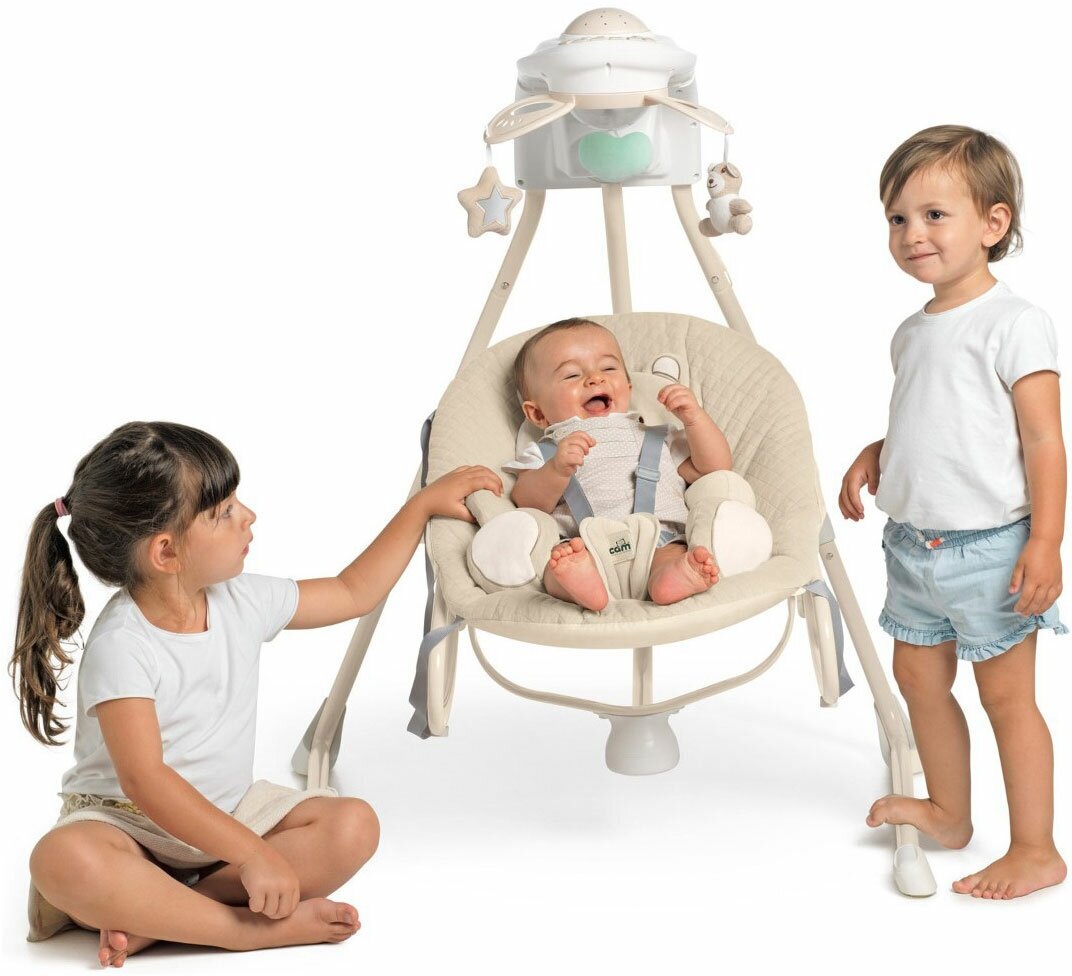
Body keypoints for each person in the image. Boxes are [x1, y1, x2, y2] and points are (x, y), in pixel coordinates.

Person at [13, 420, 501, 964]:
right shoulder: (122, 645)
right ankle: (242, 930)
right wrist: (251, 855)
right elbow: (145, 780)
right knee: (62, 861)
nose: (247, 515)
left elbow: (352, 591)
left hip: (226, 818)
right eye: (223, 512)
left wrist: (420, 507)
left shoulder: (239, 599)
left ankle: (166, 914)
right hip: (128, 829)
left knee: (353, 826)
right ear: (166, 553)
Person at [839, 125, 1067, 899]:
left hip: (990, 552)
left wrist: (1046, 542)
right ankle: (949, 811)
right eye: (898, 219)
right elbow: (940, 418)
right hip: (912, 548)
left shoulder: (1015, 322)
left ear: (994, 224)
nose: (913, 234)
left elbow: (1042, 440)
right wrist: (879, 451)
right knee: (918, 680)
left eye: (935, 215)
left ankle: (1035, 848)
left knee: (1007, 698)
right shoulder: (913, 331)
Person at [506, 317, 732, 610]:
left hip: (659, 540)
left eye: (608, 368)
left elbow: (712, 467)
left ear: (628, 387)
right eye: (572, 375)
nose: (595, 379)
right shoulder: (547, 450)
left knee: (675, 556)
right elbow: (527, 501)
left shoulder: (657, 435)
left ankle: (670, 579)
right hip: (585, 546)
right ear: (537, 414)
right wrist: (556, 470)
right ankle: (584, 587)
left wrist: (695, 419)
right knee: (556, 569)